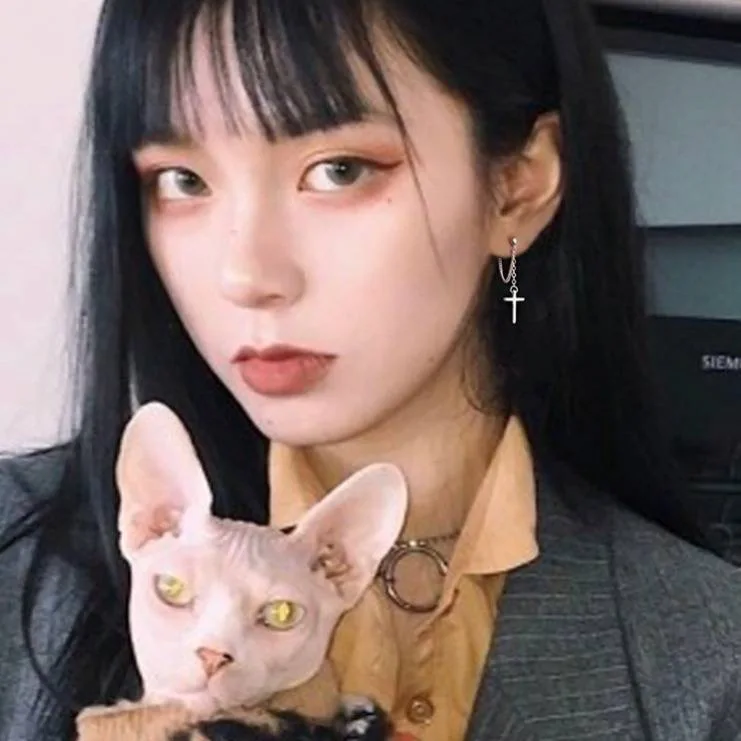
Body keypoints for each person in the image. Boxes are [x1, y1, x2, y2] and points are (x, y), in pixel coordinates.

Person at [1, 0, 740, 739]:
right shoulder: (16, 557)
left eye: (338, 170)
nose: (245, 274)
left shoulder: (706, 655)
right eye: (182, 181)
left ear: (516, 186)